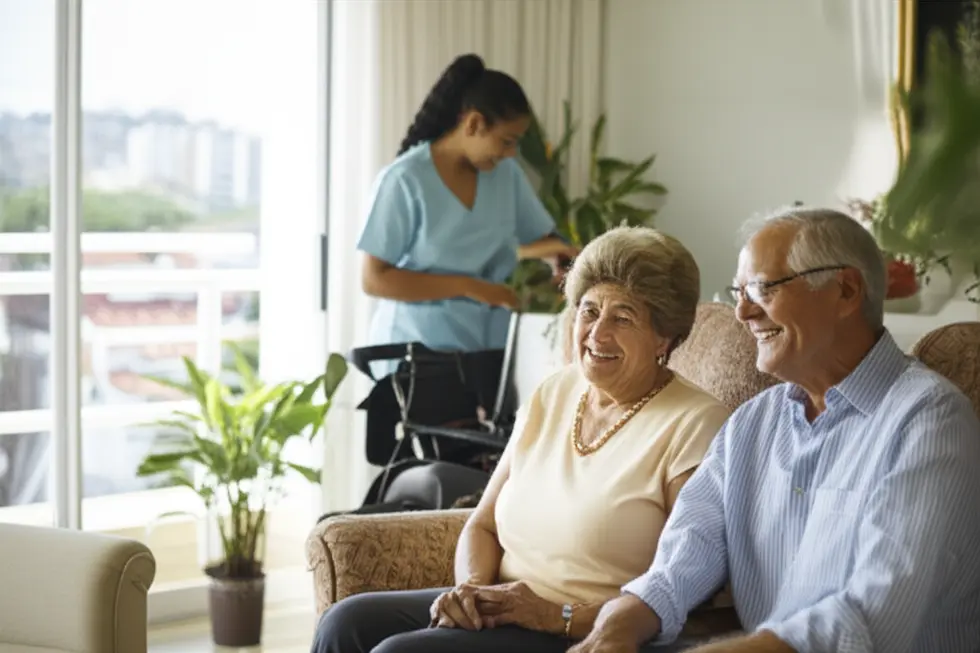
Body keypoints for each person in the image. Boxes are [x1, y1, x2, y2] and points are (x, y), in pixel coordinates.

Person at [570, 208, 980, 653]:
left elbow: (869, 619)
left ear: (844, 290)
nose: (742, 312)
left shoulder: (930, 421)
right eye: (738, 292)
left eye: (762, 289)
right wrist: (618, 627)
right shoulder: (751, 423)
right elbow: (679, 563)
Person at [310, 226, 733, 653]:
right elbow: (484, 523)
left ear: (665, 337)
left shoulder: (695, 424)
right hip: (502, 604)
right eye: (589, 311)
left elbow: (687, 588)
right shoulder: (554, 391)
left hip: (580, 627)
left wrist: (557, 616)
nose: (597, 334)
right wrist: (472, 591)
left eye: (623, 318)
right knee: (345, 622)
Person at [356, 53, 577, 375]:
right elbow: (374, 279)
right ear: (473, 123)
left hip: (487, 351)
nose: (511, 153)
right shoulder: (405, 180)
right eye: (506, 141)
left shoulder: (506, 175)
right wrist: (470, 286)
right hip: (417, 355)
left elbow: (538, 237)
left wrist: (560, 256)